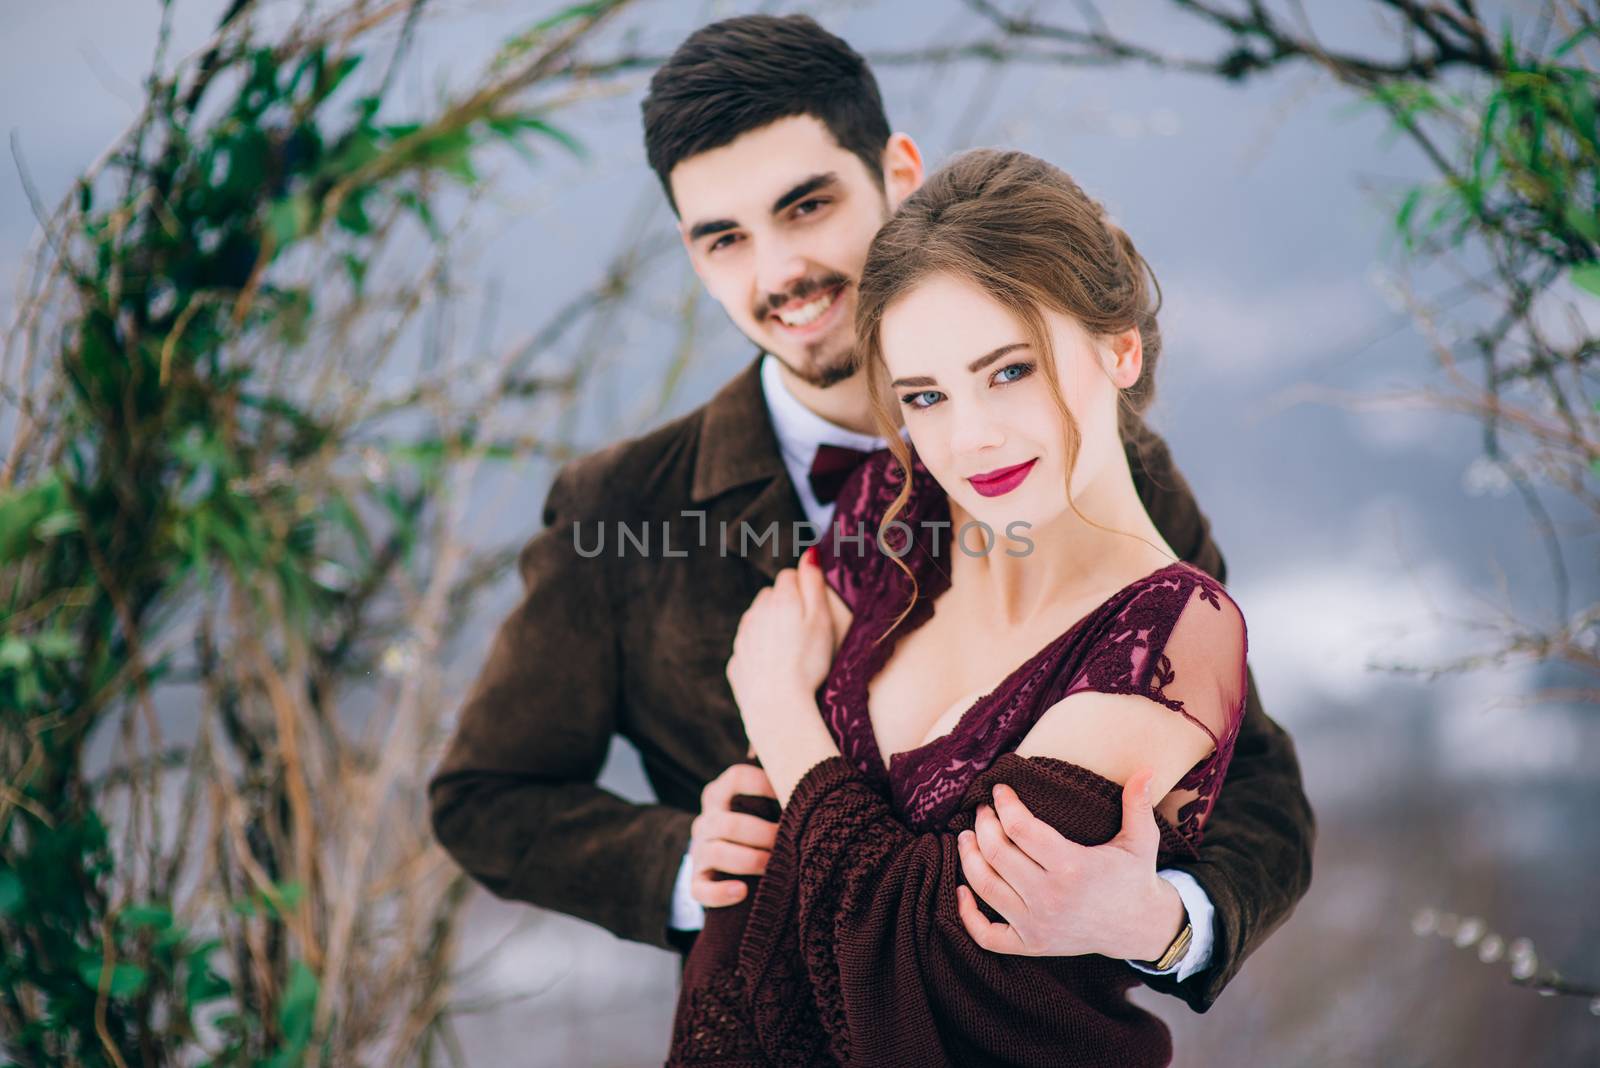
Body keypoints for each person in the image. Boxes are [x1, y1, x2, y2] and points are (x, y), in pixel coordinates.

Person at [426, 11, 1312, 1025]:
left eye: (805, 207)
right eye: (724, 239)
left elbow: (1253, 777)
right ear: (690, 248)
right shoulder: (622, 509)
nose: (778, 275)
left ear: (896, 173)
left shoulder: (1099, 461)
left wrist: (1163, 922)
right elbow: (485, 797)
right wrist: (680, 861)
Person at [668, 145, 1254, 1066]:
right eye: (928, 396)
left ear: (1119, 346)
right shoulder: (891, 511)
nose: (970, 437)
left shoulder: (1172, 633)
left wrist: (781, 716)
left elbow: (934, 955)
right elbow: (761, 838)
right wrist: (734, 820)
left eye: (1010, 370)